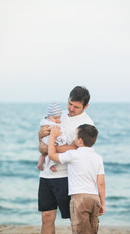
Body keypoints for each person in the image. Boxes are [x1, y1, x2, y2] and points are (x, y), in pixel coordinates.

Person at [38, 86, 94, 234]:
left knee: (74, 220)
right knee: (46, 217)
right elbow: (42, 143)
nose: (71, 108)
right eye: (70, 103)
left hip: (68, 177)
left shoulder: (87, 124)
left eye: (76, 106)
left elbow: (77, 149)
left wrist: (48, 149)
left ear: (85, 106)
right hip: (46, 174)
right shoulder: (57, 115)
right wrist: (40, 136)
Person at [48, 124, 105, 234]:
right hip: (94, 198)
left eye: (75, 137)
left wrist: (52, 137)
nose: (73, 139)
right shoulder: (98, 158)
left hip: (79, 198)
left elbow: (52, 155)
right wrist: (102, 203)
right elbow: (101, 183)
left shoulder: (73, 154)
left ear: (80, 141)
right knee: (92, 230)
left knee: (79, 230)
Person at [37, 101, 68, 171]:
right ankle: (51, 165)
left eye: (59, 118)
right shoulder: (49, 123)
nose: (57, 120)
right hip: (48, 140)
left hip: (45, 141)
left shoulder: (47, 120)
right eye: (55, 118)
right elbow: (59, 130)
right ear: (49, 116)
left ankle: (40, 164)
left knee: (44, 154)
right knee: (51, 152)